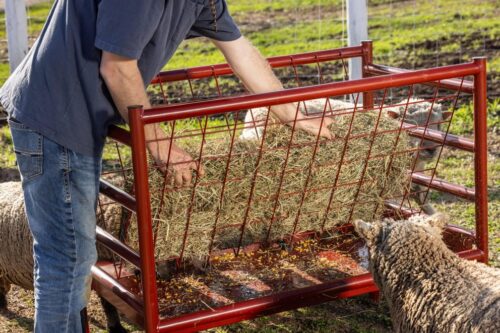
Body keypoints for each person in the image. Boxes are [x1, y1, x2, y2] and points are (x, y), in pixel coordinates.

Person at [0, 1, 331, 332]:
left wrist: (290, 112)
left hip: (81, 115)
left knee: (74, 257)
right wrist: (159, 144)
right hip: (54, 115)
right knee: (67, 259)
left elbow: (239, 48)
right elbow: (116, 67)